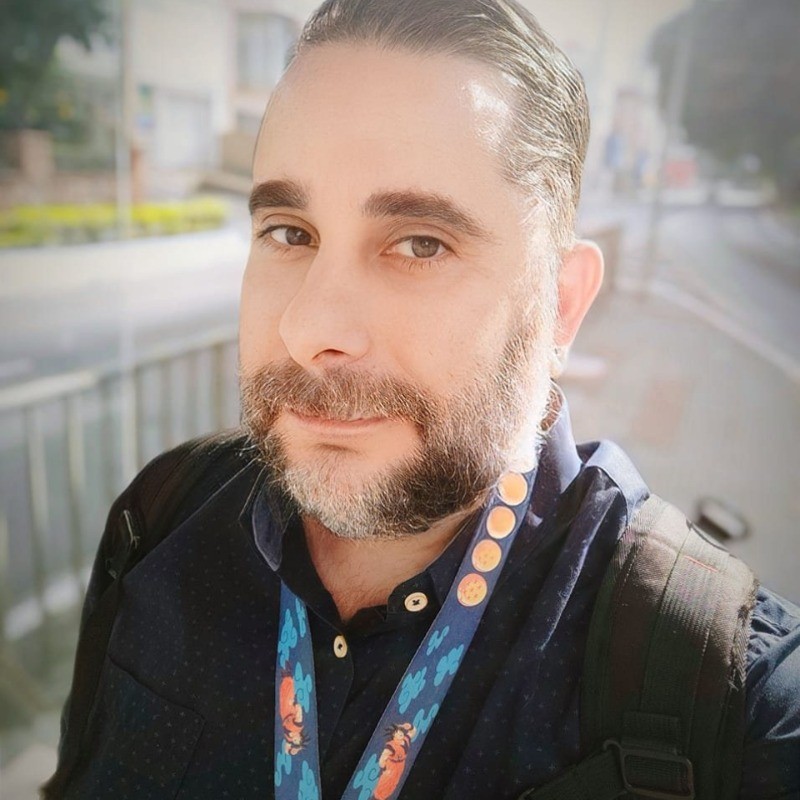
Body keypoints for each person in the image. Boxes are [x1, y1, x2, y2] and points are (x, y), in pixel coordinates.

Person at [45, 1, 799, 798]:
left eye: (419, 244)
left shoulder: (730, 700)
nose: (310, 330)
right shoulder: (157, 526)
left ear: (561, 308)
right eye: (289, 233)